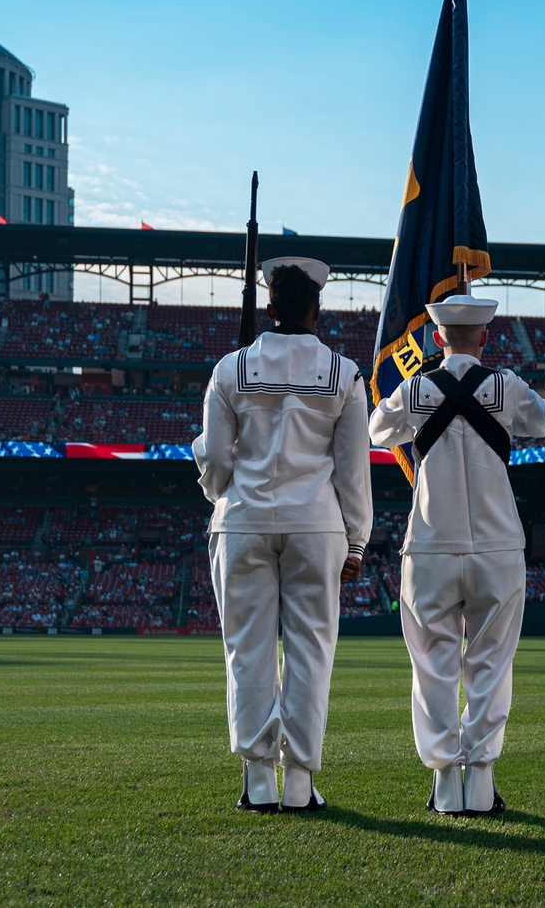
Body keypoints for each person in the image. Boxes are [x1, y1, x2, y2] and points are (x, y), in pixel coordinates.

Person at [192, 256, 372, 814]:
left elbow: (217, 457)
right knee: (311, 652)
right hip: (317, 525)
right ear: (317, 309)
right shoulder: (344, 374)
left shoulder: (229, 370)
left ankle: (257, 780)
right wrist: (357, 540)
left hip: (243, 520)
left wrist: (215, 484)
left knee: (246, 651)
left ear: (269, 308)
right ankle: (300, 782)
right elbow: (352, 469)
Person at [368, 294, 545, 816]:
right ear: (486, 337)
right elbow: (542, 424)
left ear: (438, 337)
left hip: (430, 545)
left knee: (433, 666)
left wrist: (420, 398)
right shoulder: (506, 385)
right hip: (497, 548)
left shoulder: (417, 389)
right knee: (491, 664)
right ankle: (482, 780)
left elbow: (377, 430)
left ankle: (446, 780)